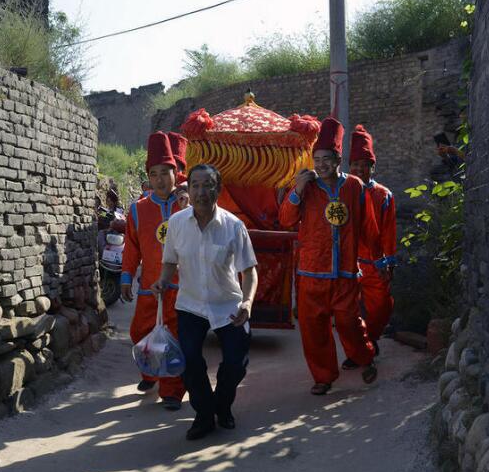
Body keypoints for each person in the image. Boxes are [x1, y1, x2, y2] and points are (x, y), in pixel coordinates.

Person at [279, 117, 389, 396]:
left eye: (327, 158)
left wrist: (379, 260)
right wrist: (298, 190)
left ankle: (364, 357)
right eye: (317, 159)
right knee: (314, 329)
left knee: (349, 323)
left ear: (338, 158)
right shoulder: (306, 187)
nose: (321, 164)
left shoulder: (353, 186)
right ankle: (323, 376)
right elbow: (286, 221)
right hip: (311, 273)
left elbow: (368, 227)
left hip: (344, 273)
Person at [152, 164, 258, 440]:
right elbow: (169, 263)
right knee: (188, 360)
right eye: (195, 185)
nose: (200, 192)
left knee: (237, 363)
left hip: (228, 306)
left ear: (217, 190)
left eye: (206, 185)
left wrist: (247, 302)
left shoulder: (234, 227)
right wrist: (163, 281)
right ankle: (203, 414)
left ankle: (222, 406)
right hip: (191, 305)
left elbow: (249, 272)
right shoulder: (176, 224)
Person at [121, 132, 187, 410]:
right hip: (150, 286)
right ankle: (150, 373)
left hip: (181, 286)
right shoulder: (137, 210)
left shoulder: (187, 204)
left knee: (176, 338)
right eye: (154, 174)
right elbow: (132, 248)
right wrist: (126, 276)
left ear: (176, 173)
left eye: (165, 173)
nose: (160, 179)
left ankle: (171, 390)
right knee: (140, 332)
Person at [344, 125, 397, 369]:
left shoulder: (383, 195)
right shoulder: (339, 192)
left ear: (372, 167)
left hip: (375, 262)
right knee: (347, 313)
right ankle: (357, 351)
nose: (358, 168)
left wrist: (388, 262)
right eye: (354, 163)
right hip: (346, 263)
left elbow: (388, 232)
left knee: (381, 308)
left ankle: (370, 340)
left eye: (364, 164)